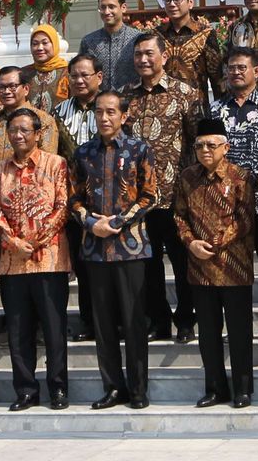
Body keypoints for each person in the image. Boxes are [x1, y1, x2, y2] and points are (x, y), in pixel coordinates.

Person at [69, 90, 158, 410]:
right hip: (94, 249)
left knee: (133, 322)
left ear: (124, 115)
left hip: (129, 249)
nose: (104, 118)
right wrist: (91, 222)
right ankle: (113, 387)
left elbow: (150, 196)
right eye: (99, 112)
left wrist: (118, 222)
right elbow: (73, 198)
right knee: (103, 323)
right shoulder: (83, 153)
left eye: (110, 112)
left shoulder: (139, 149)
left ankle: (138, 389)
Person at [0, 108, 72, 412]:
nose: (19, 136)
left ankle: (58, 388)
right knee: (18, 331)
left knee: (53, 328)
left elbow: (62, 206)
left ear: (38, 134)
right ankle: (25, 390)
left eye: (25, 130)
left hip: (49, 260)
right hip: (13, 263)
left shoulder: (56, 164)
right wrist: (13, 242)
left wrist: (33, 241)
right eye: (13, 130)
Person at [173, 118, 256, 409]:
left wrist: (217, 242)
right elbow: (180, 215)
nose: (205, 150)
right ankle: (215, 387)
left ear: (226, 147)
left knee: (239, 331)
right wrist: (190, 242)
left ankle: (243, 389)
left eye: (211, 145)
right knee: (208, 333)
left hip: (234, 265)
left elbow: (245, 218)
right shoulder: (186, 177)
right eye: (199, 145)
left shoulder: (241, 176)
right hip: (200, 267)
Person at [123, 33, 201, 343]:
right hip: (138, 200)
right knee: (148, 266)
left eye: (149, 53)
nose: (143, 59)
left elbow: (197, 144)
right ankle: (158, 320)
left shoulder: (185, 94)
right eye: (138, 54)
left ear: (164, 57)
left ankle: (185, 320)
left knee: (183, 265)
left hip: (175, 196)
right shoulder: (125, 97)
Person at [211, 46, 258, 343]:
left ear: (257, 71)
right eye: (231, 67)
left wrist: (245, 179)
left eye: (242, 67)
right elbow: (211, 150)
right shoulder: (217, 108)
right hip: (226, 203)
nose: (235, 72)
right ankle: (237, 321)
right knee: (233, 265)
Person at [52, 53, 103, 341]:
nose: (79, 80)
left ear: (99, 77)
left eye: (85, 75)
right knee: (83, 266)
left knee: (110, 267)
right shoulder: (58, 113)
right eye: (74, 76)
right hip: (74, 201)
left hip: (109, 200)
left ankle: (117, 321)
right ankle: (88, 322)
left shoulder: (111, 108)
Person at [0, 66, 60, 167]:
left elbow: (47, 159)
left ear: (26, 89)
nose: (7, 91)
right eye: (2, 87)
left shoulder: (44, 120)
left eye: (12, 86)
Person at [155, 0, 225, 102]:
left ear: (190, 2)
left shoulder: (205, 34)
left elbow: (217, 78)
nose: (172, 4)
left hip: (196, 110)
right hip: (164, 109)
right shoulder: (156, 35)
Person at [79, 0, 143, 91]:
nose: (106, 11)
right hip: (98, 103)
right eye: (103, 7)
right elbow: (81, 72)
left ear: (123, 7)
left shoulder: (137, 39)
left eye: (111, 7)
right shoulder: (89, 41)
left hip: (131, 101)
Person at [21, 23, 70, 113]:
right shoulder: (23, 73)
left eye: (45, 43)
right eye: (35, 44)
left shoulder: (68, 72)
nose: (40, 48)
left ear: (54, 44)